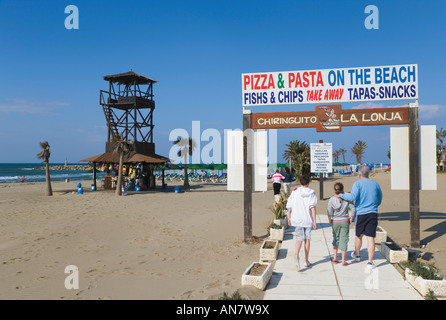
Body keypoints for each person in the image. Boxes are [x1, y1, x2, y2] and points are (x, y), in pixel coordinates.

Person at [336, 165, 382, 270]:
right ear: (368, 173)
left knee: (359, 236)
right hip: (373, 213)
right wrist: (374, 206)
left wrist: (341, 195)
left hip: (361, 213)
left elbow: (352, 197)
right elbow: (379, 199)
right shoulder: (375, 184)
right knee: (371, 238)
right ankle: (370, 262)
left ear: (359, 174)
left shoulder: (357, 184)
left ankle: (357, 255)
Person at [286, 174, 318, 270]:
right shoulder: (312, 193)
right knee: (307, 240)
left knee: (299, 239)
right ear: (309, 182)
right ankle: (306, 260)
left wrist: (289, 218)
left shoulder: (295, 192)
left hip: (297, 219)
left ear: (300, 182)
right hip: (307, 220)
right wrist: (314, 221)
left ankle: (296, 254)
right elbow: (313, 208)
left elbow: (289, 206)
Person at [327, 182, 355, 266]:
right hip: (344, 220)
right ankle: (343, 260)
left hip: (335, 221)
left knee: (336, 238)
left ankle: (335, 258)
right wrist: (351, 217)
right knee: (344, 239)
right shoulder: (347, 198)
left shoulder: (331, 199)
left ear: (334, 190)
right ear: (342, 189)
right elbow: (353, 208)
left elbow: (329, 211)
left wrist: (330, 219)